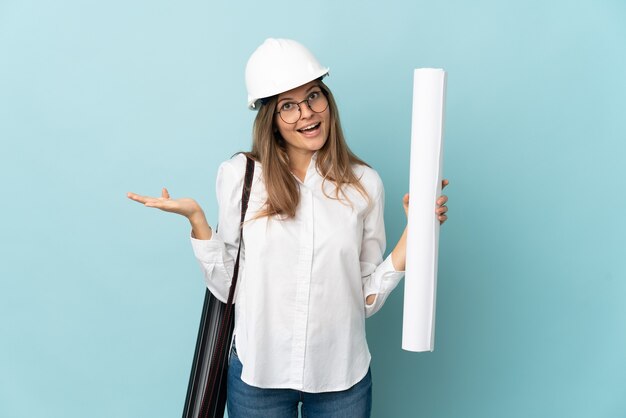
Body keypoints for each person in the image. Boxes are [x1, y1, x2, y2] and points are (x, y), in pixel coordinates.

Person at [127, 38, 449, 418]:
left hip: (341, 378)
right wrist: (198, 221)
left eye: (313, 96)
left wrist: (416, 233)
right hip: (259, 375)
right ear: (271, 119)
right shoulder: (240, 177)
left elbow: (362, 295)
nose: (306, 114)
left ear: (327, 99)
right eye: (288, 106)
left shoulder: (365, 184)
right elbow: (230, 285)